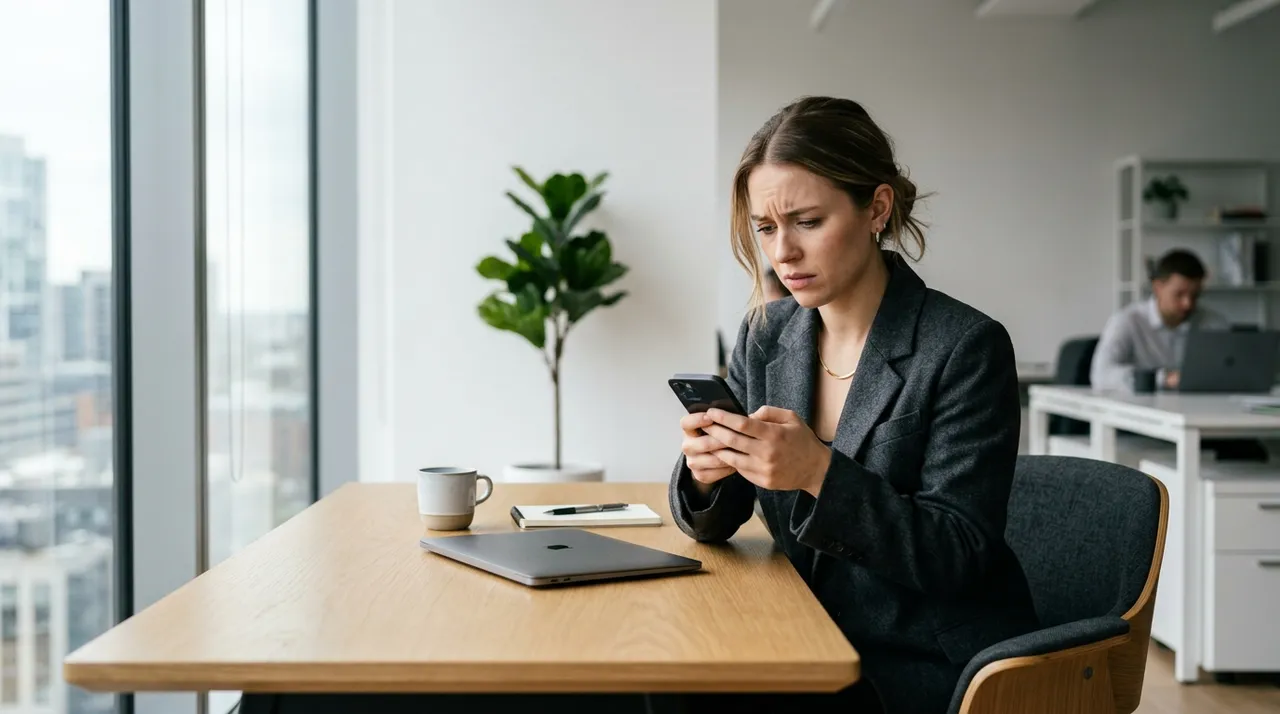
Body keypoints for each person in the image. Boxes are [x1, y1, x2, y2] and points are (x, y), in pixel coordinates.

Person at [669, 96, 1038, 714]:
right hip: (798, 633)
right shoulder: (766, 334)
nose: (781, 252)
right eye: (765, 228)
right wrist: (709, 476)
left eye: (807, 221)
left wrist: (817, 471)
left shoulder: (964, 346)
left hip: (920, 662)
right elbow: (717, 519)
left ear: (877, 208)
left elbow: (959, 554)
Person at [1090, 249, 1228, 392]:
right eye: (1179, 294)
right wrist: (1163, 379)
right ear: (1157, 288)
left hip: (1199, 409)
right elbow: (1101, 376)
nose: (1187, 303)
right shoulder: (1127, 321)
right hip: (1139, 409)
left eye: (1195, 295)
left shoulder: (1214, 324)